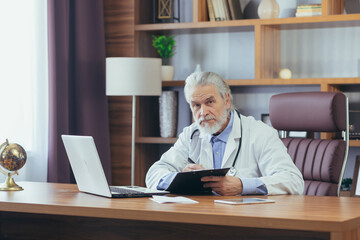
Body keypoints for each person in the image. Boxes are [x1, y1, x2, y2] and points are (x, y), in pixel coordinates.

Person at [146, 72, 304, 195]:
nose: (203, 112)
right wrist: (179, 179)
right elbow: (154, 173)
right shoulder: (191, 134)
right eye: (196, 105)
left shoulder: (260, 133)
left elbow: (293, 181)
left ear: (226, 100)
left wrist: (242, 185)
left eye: (210, 102)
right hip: (203, 216)